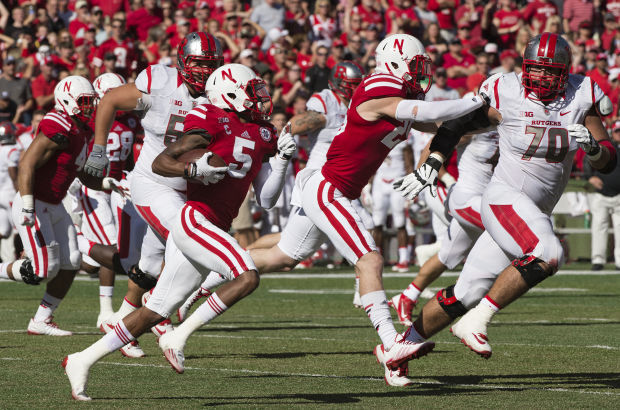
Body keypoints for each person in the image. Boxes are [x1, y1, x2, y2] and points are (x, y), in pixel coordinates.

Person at [247, 34, 488, 385]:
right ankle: (390, 344)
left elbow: (439, 124)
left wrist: (494, 117)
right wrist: (474, 100)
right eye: (415, 66)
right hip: (328, 187)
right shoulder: (379, 85)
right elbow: (430, 112)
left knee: (283, 255)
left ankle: (221, 267)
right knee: (370, 260)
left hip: (339, 189)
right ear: (394, 62)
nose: (421, 74)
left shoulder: (399, 96)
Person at [63, 64, 295, 401]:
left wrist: (284, 161)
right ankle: (179, 335)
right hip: (195, 219)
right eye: (252, 89)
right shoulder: (212, 118)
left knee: (155, 310)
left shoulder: (263, 133)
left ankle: (81, 359)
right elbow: (160, 162)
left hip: (213, 224)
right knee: (247, 276)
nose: (260, 96)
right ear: (230, 94)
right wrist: (192, 167)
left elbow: (269, 199)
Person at [392, 33, 617, 376]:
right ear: (524, 68)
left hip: (532, 211)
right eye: (535, 70)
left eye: (549, 71)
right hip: (503, 198)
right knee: (549, 253)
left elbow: (609, 161)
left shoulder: (582, 93)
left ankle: (397, 348)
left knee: (466, 291)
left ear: (564, 72)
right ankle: (477, 321)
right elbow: (457, 123)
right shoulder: (505, 90)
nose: (540, 78)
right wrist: (433, 163)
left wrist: (596, 149)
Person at [175, 60, 368, 321]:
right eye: (351, 85)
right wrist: (280, 147)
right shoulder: (326, 102)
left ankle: (202, 286)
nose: (355, 90)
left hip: (338, 184)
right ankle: (375, 305)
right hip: (322, 184)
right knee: (366, 225)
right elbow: (295, 125)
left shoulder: (359, 104)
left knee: (284, 257)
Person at [81, 32, 224, 339]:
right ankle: (161, 313)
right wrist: (98, 147)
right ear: (183, 61)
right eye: (198, 63)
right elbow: (109, 99)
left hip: (192, 188)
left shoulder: (223, 92)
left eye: (210, 64)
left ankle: (119, 322)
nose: (203, 71)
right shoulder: (159, 81)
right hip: (153, 182)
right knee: (188, 240)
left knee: (145, 267)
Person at [0, 76, 125, 336]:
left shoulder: (82, 128)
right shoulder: (58, 125)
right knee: (43, 270)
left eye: (91, 101)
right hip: (34, 202)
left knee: (71, 262)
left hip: (55, 204)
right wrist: (27, 204)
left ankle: (41, 319)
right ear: (67, 101)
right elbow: (26, 164)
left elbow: (82, 174)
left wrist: (107, 183)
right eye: (85, 102)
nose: (90, 107)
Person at [390, 120, 500, 326]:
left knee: (449, 253)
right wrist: (422, 174)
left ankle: (407, 297)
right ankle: (471, 302)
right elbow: (434, 145)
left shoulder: (508, 124)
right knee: (500, 236)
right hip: (457, 193)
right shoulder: (476, 125)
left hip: (482, 197)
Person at [71, 73, 134, 330]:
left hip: (118, 186)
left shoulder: (132, 119)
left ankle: (72, 250)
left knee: (104, 257)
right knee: (110, 248)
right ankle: (105, 312)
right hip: (94, 189)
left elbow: (128, 158)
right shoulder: (90, 121)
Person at [371, 140, 414, 272]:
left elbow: (409, 164)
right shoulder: (376, 136)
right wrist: (367, 185)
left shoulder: (403, 138)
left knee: (400, 221)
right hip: (379, 182)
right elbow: (371, 162)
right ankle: (375, 259)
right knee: (377, 222)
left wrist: (411, 188)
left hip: (398, 180)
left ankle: (403, 259)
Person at [584, 120, 620, 270]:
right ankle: (598, 260)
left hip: (619, 195)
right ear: (613, 132)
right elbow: (589, 160)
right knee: (599, 227)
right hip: (601, 194)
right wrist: (589, 177)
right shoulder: (605, 146)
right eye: (618, 131)